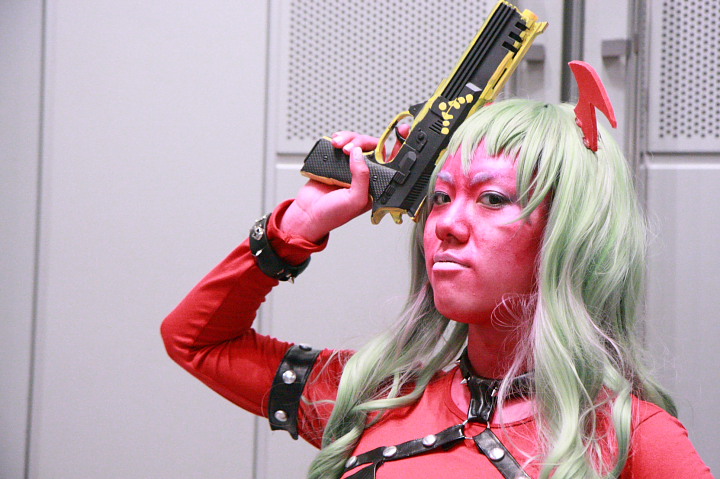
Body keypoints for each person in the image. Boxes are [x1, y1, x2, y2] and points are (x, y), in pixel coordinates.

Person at [161, 98, 714, 478]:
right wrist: (295, 228)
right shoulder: (376, 397)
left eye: (492, 199)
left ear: (572, 233)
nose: (447, 223)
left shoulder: (632, 439)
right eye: (442, 197)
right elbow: (196, 340)